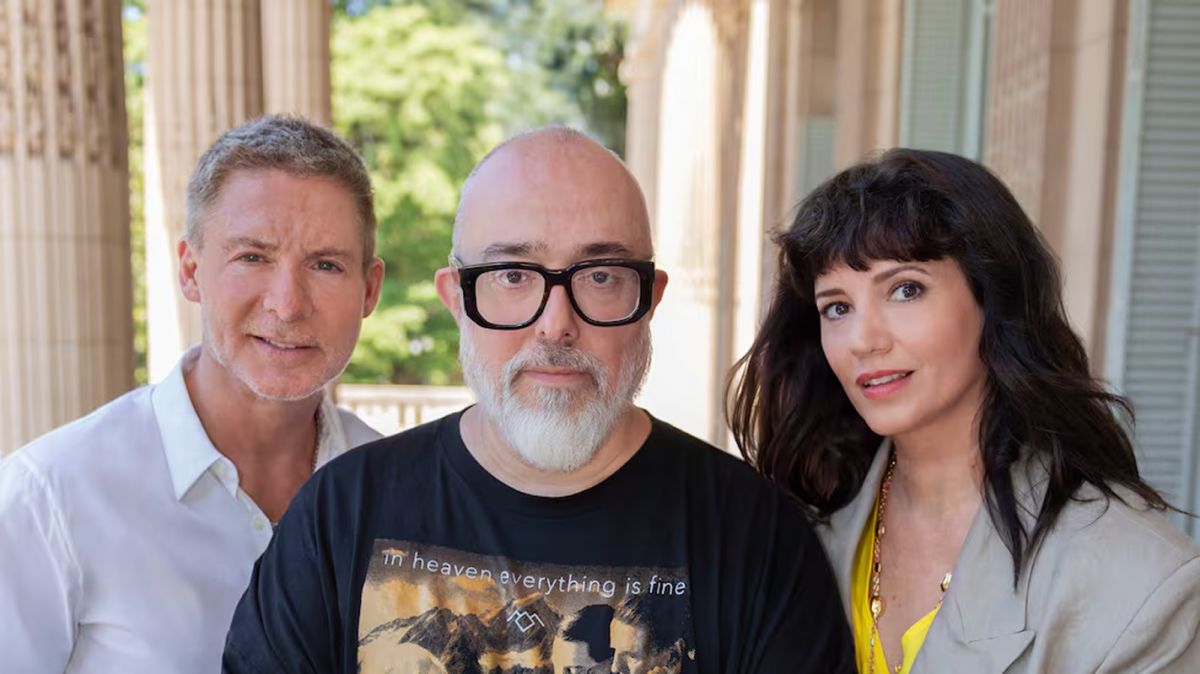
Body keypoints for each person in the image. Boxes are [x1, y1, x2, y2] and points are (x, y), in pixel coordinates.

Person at [222, 127, 854, 674]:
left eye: (600, 276)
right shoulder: (339, 514)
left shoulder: (757, 540)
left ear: (649, 300)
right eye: (513, 275)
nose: (555, 326)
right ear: (456, 299)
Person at [728, 148, 1200, 673]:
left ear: (993, 299)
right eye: (837, 307)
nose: (863, 339)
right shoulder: (798, 530)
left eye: (905, 290)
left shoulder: (1141, 585)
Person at [0, 115, 385, 673]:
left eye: (326, 265)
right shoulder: (49, 499)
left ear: (369, 290)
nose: (287, 304)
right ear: (190, 270)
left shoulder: (398, 492)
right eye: (252, 257)